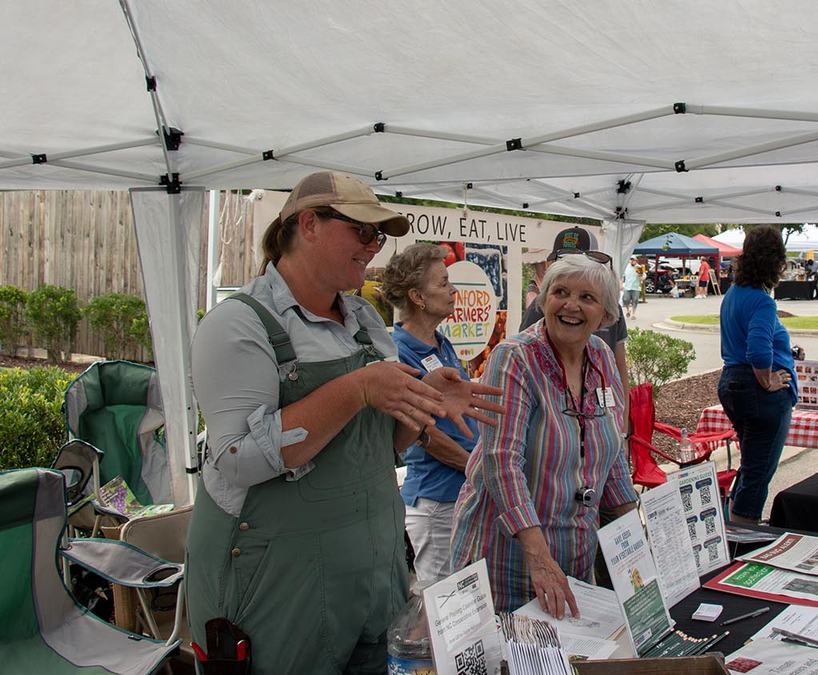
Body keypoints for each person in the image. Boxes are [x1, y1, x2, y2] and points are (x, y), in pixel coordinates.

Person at [186, 171, 503, 674]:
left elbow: (382, 449)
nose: (373, 247)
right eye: (363, 232)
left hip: (373, 584)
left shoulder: (364, 319)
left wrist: (422, 406)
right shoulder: (239, 325)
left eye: (378, 236)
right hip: (277, 596)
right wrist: (356, 389)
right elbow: (237, 460)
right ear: (308, 224)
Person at [450, 254, 640, 617]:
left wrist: (637, 535)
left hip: (574, 559)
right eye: (561, 292)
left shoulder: (600, 356)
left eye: (587, 298)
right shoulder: (514, 358)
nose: (571, 305)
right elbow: (501, 461)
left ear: (607, 315)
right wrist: (538, 557)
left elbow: (611, 454)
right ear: (544, 300)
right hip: (505, 562)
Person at [380, 243, 479, 588]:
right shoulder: (399, 351)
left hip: (460, 491)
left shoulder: (441, 343)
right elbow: (423, 433)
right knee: (445, 605)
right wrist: (475, 467)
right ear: (417, 297)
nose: (453, 291)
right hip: (437, 499)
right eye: (443, 284)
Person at [717, 225, 797, 524]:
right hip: (757, 390)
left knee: (751, 463)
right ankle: (743, 534)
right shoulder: (763, 300)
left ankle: (735, 525)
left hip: (732, 382)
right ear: (776, 261)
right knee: (759, 469)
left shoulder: (734, 293)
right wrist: (768, 380)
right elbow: (758, 351)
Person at [520, 226, 631, 404]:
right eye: (563, 261)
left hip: (601, 409)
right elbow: (525, 352)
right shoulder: (541, 306)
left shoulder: (605, 335)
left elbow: (620, 367)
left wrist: (623, 423)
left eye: (587, 297)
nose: (571, 305)